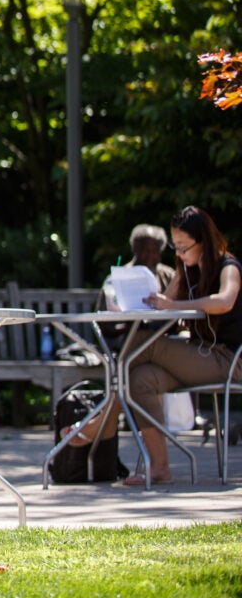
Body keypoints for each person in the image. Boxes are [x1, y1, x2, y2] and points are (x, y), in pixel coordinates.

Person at [77, 206, 241, 487]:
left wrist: (175, 305)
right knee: (139, 380)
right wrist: (129, 307)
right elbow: (163, 307)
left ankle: (101, 423)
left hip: (229, 360)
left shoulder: (229, 266)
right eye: (175, 247)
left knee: (143, 346)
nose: (178, 254)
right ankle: (160, 467)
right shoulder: (186, 269)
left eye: (183, 247)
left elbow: (224, 301)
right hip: (198, 358)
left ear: (204, 241)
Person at [130, 223, 176, 291]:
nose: (150, 255)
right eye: (146, 250)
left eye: (154, 251)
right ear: (135, 249)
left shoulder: (168, 276)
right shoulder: (122, 276)